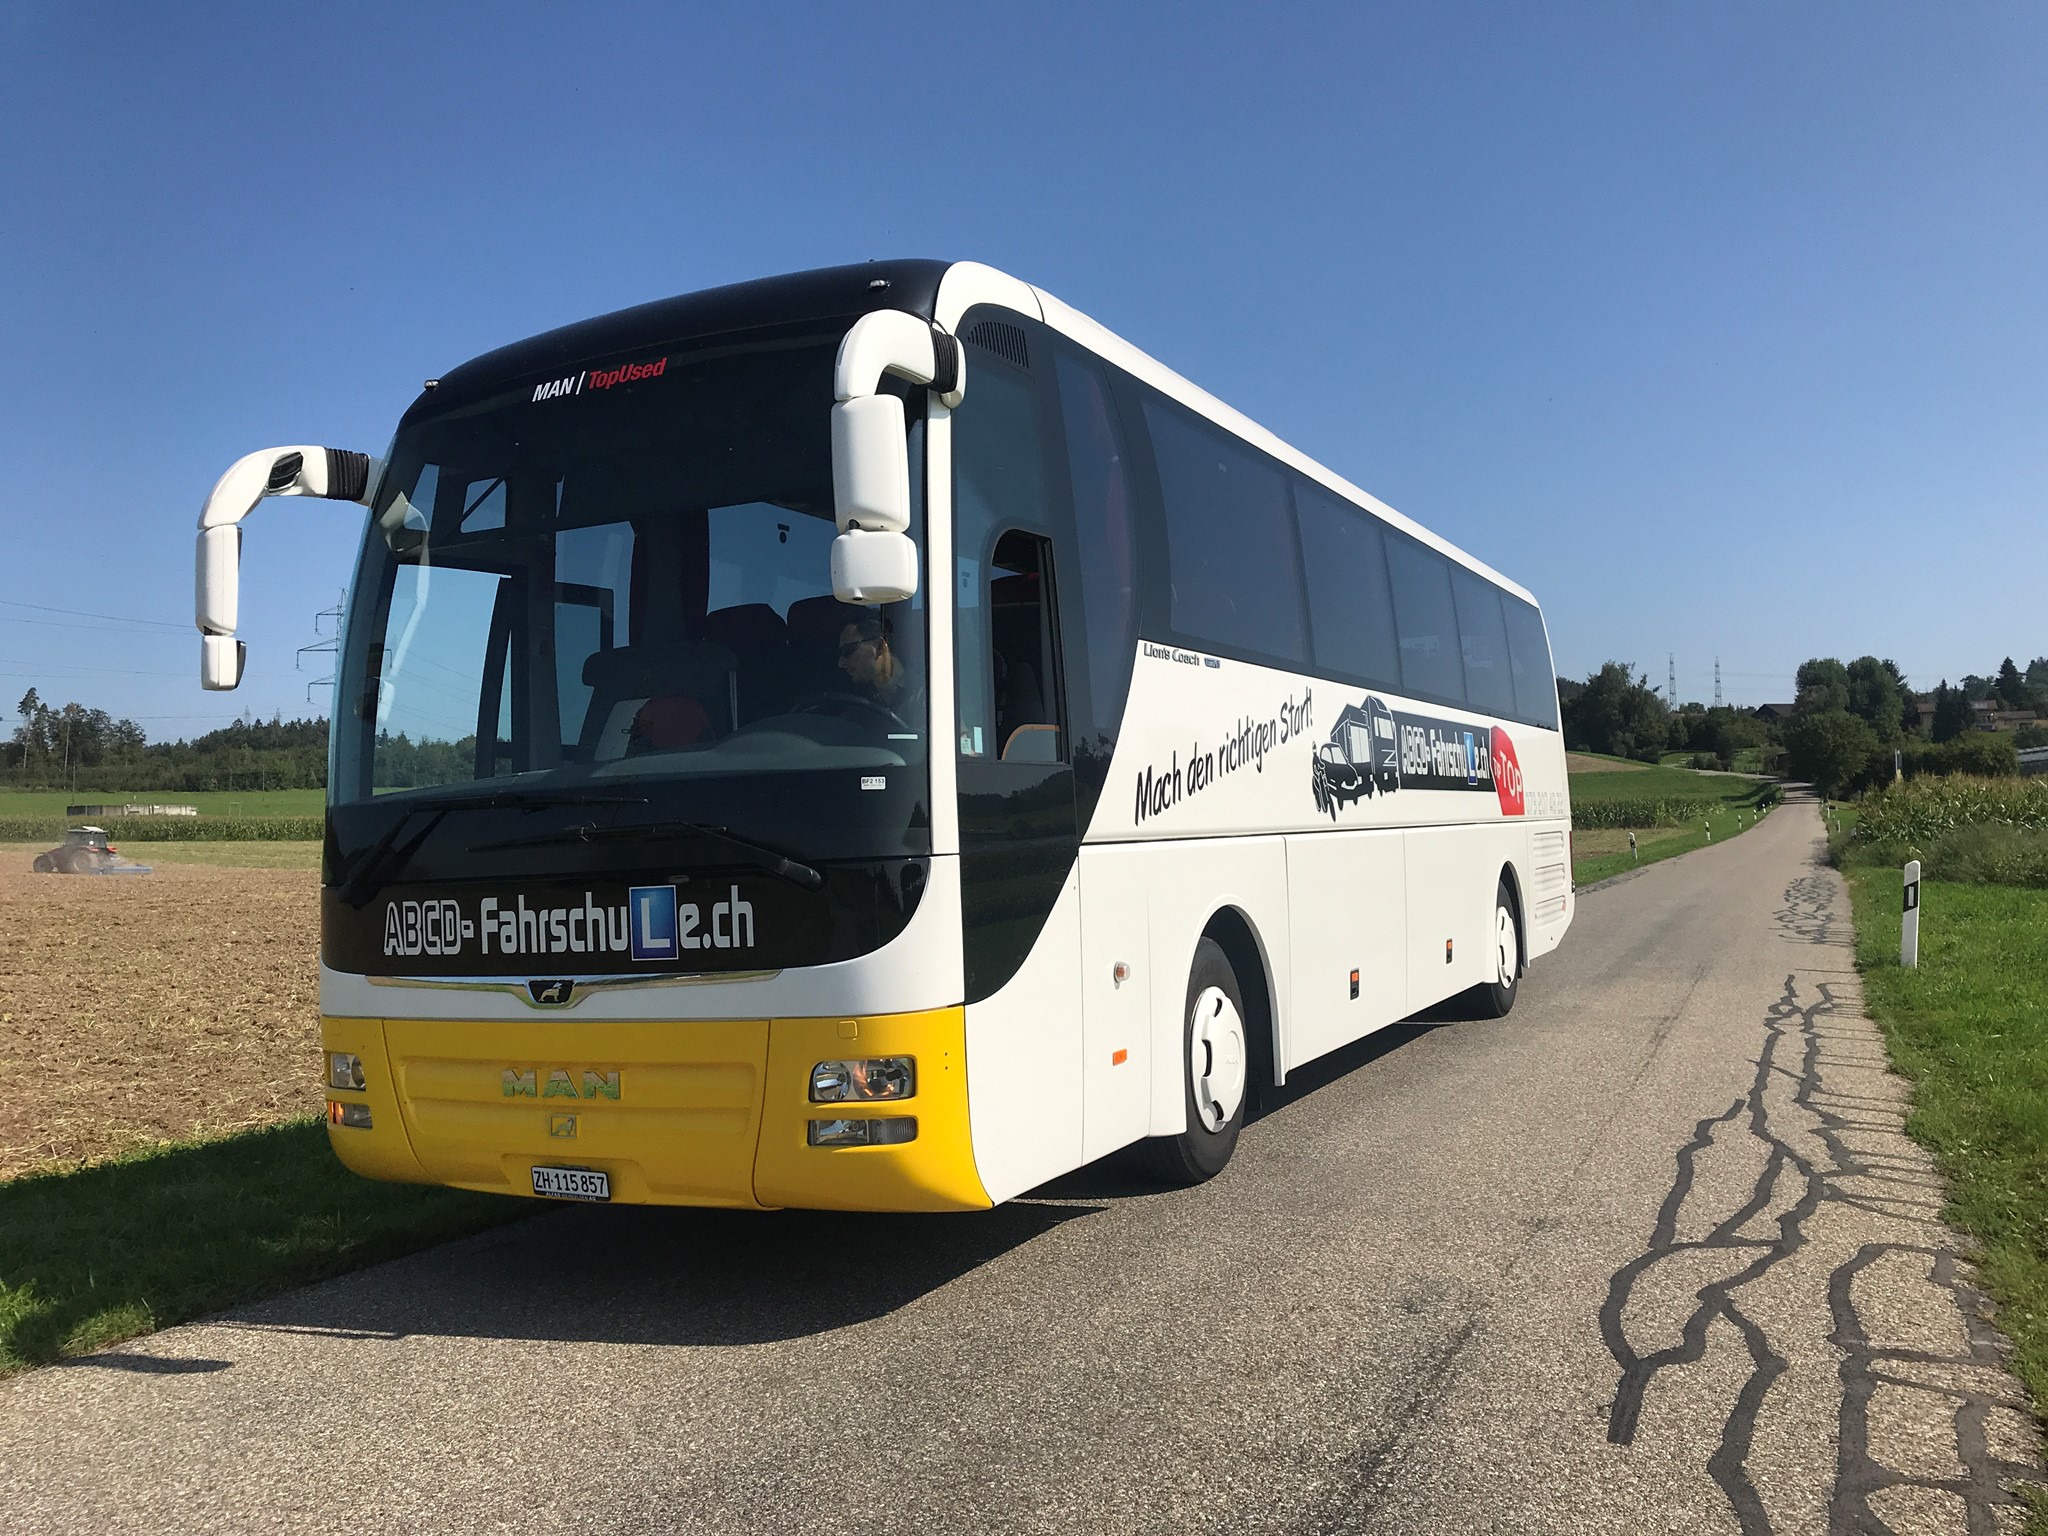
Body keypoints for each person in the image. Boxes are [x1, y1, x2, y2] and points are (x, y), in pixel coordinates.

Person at [836, 612, 922, 721]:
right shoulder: (857, 702)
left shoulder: (930, 692)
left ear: (879, 647)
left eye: (848, 651)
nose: (840, 663)